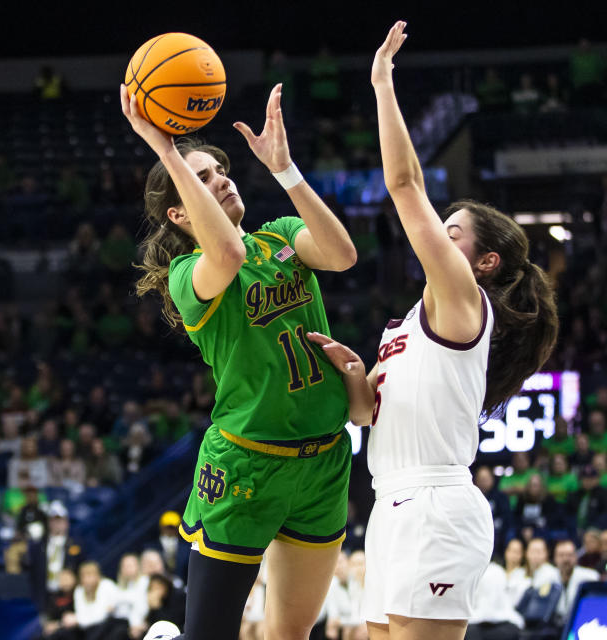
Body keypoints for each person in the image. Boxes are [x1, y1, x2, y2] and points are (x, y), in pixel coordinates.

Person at [308, 23, 558, 640]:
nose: (435, 236)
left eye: (451, 233)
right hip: (389, 505)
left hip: (436, 506)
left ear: (484, 262)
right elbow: (368, 417)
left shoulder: (463, 304)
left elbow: (404, 184)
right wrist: (352, 372)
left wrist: (382, 84)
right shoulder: (407, 325)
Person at [119, 62, 357, 640]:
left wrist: (286, 169)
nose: (223, 176)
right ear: (178, 213)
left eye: (222, 168)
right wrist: (167, 151)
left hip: (323, 459)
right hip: (246, 464)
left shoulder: (278, 235)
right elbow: (223, 255)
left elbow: (342, 253)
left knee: (290, 634)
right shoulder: (186, 275)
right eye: (204, 178)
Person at [27, 501, 86, 614]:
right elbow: (33, 572)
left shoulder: (76, 544)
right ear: (49, 522)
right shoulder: (39, 545)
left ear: (66, 522)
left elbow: (82, 567)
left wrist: (73, 580)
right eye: (54, 520)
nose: (57, 524)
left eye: (60, 520)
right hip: (46, 595)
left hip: (68, 596)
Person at [553, 539, 599, 624]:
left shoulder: (588, 577)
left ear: (575, 557)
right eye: (561, 555)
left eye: (569, 555)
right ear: (555, 558)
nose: (565, 559)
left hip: (580, 621)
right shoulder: (549, 578)